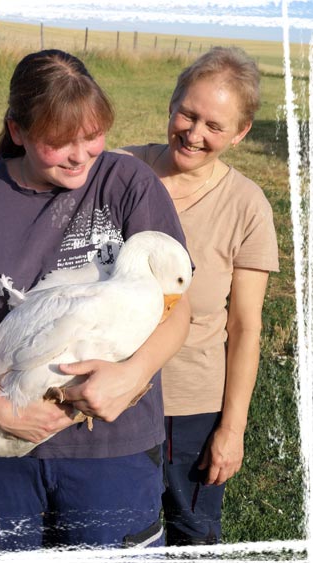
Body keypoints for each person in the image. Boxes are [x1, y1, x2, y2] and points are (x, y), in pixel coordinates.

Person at [0, 49, 192, 552]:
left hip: (114, 449)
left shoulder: (128, 183)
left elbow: (179, 305)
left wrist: (131, 377)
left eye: (91, 137)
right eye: (59, 143)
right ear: (17, 131)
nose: (81, 155)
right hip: (4, 448)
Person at [117, 46, 279, 545]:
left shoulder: (247, 206)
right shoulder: (118, 171)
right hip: (113, 395)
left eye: (215, 125)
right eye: (188, 113)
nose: (194, 133)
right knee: (115, 533)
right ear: (171, 102)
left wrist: (231, 430)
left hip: (191, 411)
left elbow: (245, 328)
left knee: (193, 530)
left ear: (241, 133)